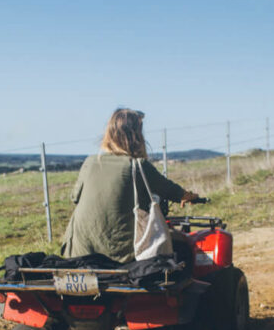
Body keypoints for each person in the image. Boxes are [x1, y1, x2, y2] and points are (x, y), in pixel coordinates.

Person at [61, 108, 199, 263]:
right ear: (136, 136)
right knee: (182, 249)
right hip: (117, 256)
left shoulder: (90, 162)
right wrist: (190, 196)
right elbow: (171, 190)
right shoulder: (137, 166)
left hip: (77, 251)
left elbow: (75, 197)